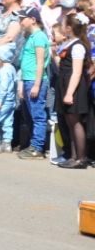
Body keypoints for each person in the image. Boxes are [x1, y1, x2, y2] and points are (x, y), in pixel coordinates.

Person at [54, 14, 90, 168]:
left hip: (72, 86)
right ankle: (73, 156)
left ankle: (81, 158)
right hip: (65, 83)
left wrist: (69, 93)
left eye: (63, 24)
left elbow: (76, 72)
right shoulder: (69, 44)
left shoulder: (77, 46)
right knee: (70, 122)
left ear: (69, 28)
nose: (61, 27)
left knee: (75, 122)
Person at [17, 7, 50, 160]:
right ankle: (33, 144)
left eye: (22, 18)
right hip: (27, 79)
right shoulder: (30, 36)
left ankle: (37, 148)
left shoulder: (39, 37)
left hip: (36, 80)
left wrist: (36, 84)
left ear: (33, 19)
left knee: (38, 116)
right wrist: (22, 83)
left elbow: (40, 62)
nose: (20, 22)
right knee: (30, 114)